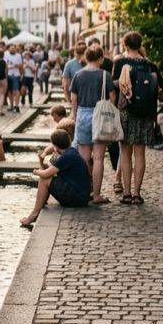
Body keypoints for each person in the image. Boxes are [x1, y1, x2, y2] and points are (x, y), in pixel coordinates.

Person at [112, 31, 162, 205]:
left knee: (125, 153)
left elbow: (114, 86)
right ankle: (137, 194)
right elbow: (157, 88)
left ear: (125, 45)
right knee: (140, 153)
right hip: (145, 113)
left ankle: (126, 193)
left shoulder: (120, 62)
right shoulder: (150, 65)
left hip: (126, 111)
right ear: (140, 45)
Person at [69, 44, 117, 205]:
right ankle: (96, 195)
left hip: (82, 114)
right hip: (100, 116)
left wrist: (75, 116)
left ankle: (83, 192)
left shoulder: (77, 75)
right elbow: (113, 98)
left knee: (83, 159)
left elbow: (73, 99)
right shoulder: (105, 75)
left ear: (86, 57)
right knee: (98, 158)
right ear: (101, 59)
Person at [20, 127, 91, 227]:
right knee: (47, 177)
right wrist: (45, 165)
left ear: (56, 147)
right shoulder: (71, 151)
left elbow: (45, 174)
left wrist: (35, 171)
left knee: (44, 179)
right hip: (82, 196)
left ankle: (34, 213)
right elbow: (51, 170)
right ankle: (41, 205)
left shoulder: (65, 156)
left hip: (77, 198)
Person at [4, 44, 23, 113]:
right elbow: (5, 64)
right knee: (9, 91)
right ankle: (11, 105)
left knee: (16, 90)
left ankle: (17, 105)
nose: (12, 49)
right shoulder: (6, 54)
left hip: (16, 74)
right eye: (11, 48)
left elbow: (21, 65)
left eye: (13, 48)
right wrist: (11, 66)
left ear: (15, 49)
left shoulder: (18, 55)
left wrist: (16, 65)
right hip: (9, 74)